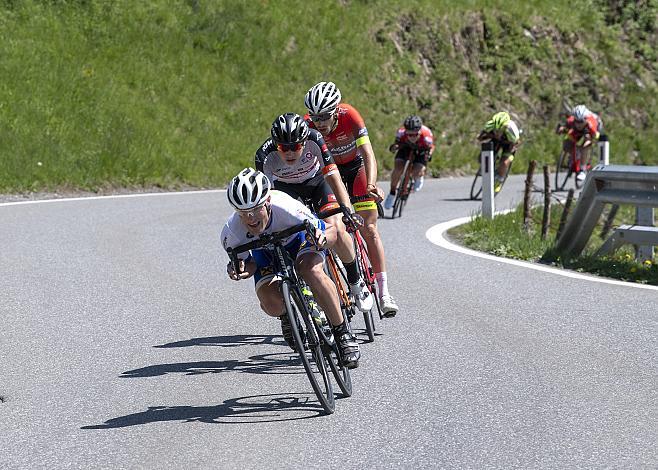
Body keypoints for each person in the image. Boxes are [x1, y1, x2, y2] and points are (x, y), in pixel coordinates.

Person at [221, 168, 360, 368]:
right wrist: (240, 270)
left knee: (311, 271)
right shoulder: (230, 234)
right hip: (265, 255)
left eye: (255, 209)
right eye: (243, 213)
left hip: (300, 241)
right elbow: (249, 265)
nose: (250, 218)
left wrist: (321, 239)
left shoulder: (287, 208)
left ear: (267, 201)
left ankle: (342, 332)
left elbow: (330, 232)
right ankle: (287, 315)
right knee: (270, 303)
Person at [254, 112, 372, 313]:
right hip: (286, 190)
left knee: (337, 227)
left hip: (317, 183)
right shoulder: (264, 155)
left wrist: (346, 209)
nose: (290, 153)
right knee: (289, 234)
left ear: (303, 141)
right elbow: (267, 197)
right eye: (284, 148)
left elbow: (333, 175)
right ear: (276, 144)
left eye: (296, 147)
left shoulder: (315, 139)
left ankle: (355, 282)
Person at [304, 81, 399, 317]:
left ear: (336, 110)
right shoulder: (307, 126)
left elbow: (368, 153)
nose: (320, 123)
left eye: (325, 116)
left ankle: (384, 292)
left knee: (369, 228)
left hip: (356, 168)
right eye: (315, 117)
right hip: (329, 173)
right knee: (333, 227)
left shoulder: (350, 116)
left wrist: (371, 184)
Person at [384, 115, 435, 209]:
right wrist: (395, 147)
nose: (412, 137)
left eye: (415, 135)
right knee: (398, 169)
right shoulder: (401, 132)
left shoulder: (426, 135)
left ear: (420, 131)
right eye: (410, 135)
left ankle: (419, 177)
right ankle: (392, 193)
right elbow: (397, 143)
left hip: (421, 150)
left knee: (418, 171)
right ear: (406, 131)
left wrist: (429, 154)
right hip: (405, 148)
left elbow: (431, 147)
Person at [476, 111, 522, 193]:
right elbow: (480, 137)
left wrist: (509, 155)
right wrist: (484, 137)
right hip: (496, 140)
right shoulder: (489, 125)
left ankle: (499, 179)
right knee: (483, 155)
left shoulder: (512, 130)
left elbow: (516, 143)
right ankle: (491, 162)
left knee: (504, 163)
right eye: (496, 130)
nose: (498, 132)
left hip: (509, 143)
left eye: (500, 129)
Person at [556, 104, 600, 182]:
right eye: (576, 121)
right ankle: (572, 156)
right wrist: (561, 129)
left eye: (581, 122)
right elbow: (564, 128)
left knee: (586, 145)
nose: (578, 124)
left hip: (589, 131)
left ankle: (583, 169)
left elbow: (595, 136)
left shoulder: (591, 123)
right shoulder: (571, 121)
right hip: (576, 131)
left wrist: (589, 140)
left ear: (585, 119)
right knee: (567, 142)